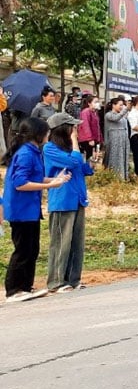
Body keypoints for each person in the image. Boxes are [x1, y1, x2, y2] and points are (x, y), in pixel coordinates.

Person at [2, 117, 70, 302]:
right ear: (38, 134)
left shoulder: (33, 151)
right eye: (46, 131)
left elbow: (36, 177)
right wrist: (50, 186)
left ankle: (25, 286)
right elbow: (20, 183)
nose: (49, 134)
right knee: (23, 249)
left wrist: (56, 180)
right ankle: (14, 290)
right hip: (21, 210)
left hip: (30, 209)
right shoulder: (25, 154)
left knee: (32, 248)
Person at [44, 112, 95, 293]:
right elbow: (73, 162)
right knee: (61, 242)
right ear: (63, 129)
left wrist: (90, 162)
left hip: (78, 198)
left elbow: (82, 168)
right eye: (73, 127)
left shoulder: (71, 149)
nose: (76, 130)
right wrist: (75, 143)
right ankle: (56, 281)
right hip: (62, 200)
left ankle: (73, 279)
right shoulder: (49, 149)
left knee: (76, 242)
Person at [103, 97, 130, 180]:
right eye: (120, 105)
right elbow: (116, 118)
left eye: (123, 105)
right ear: (113, 105)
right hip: (114, 140)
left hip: (123, 139)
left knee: (123, 158)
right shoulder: (108, 115)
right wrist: (125, 110)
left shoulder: (122, 116)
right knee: (115, 158)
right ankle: (114, 177)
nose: (121, 107)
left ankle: (123, 177)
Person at [76, 95, 103, 162]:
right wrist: (90, 139)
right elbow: (86, 126)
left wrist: (100, 138)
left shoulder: (95, 113)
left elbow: (97, 127)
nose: (97, 103)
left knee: (94, 158)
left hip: (94, 139)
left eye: (98, 102)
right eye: (95, 102)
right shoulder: (86, 112)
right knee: (89, 158)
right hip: (86, 140)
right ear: (89, 103)